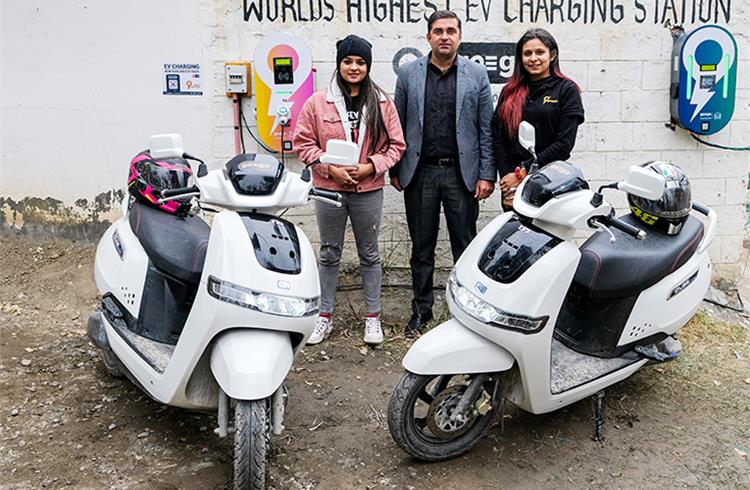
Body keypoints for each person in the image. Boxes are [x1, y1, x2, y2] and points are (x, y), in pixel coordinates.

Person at [294, 34, 406, 346]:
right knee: (329, 253)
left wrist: (372, 166)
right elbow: (303, 143)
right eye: (348, 61)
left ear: (368, 66)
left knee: (369, 254)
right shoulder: (318, 103)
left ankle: (372, 318)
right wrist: (330, 169)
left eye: (360, 62)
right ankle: (324, 316)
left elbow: (397, 145)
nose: (353, 67)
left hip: (369, 190)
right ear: (339, 64)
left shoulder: (383, 102)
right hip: (329, 190)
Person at [391, 10, 496, 338]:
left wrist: (486, 173)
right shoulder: (408, 74)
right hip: (420, 174)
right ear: (428, 37)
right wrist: (395, 167)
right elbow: (396, 124)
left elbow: (485, 129)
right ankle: (421, 311)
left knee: (464, 246)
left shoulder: (476, 74)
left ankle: (465, 312)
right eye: (438, 31)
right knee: (421, 247)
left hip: (460, 175)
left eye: (451, 31)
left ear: (460, 36)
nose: (445, 36)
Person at [492, 28, 585, 209]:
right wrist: (508, 182)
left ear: (552, 55)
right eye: (527, 53)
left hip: (551, 182)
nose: (533, 58)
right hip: (513, 183)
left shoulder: (567, 89)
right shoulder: (509, 92)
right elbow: (498, 137)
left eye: (540, 52)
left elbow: (564, 145)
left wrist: (522, 173)